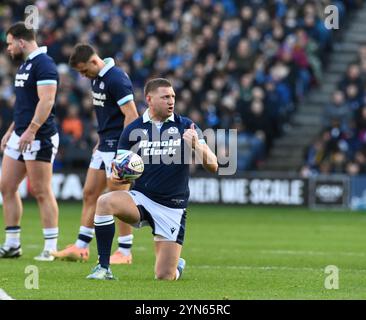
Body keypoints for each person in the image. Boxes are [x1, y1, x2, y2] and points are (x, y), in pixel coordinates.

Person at [86, 78, 218, 280]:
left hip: (172, 207)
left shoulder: (186, 126)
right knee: (104, 202)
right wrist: (119, 175)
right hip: (141, 198)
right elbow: (118, 171)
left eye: (173, 96)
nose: (171, 101)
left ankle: (176, 266)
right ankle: (103, 268)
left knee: (164, 276)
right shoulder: (132, 129)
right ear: (149, 99)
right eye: (165, 97)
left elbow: (214, 166)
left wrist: (197, 146)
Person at [52, 44, 139, 264]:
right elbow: (106, 113)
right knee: (90, 193)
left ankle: (125, 251)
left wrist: (123, 151)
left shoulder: (116, 79)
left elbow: (131, 115)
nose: (82, 75)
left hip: (117, 147)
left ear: (93, 61)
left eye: (83, 70)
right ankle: (81, 247)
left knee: (118, 199)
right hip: (103, 145)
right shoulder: (96, 78)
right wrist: (101, 139)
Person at [0, 22, 59, 261]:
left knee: (41, 191)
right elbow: (26, 104)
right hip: (20, 134)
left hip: (39, 136)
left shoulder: (44, 64)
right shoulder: (26, 64)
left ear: (21, 41)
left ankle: (51, 247)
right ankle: (12, 244)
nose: (8, 48)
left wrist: (32, 130)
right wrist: (12, 130)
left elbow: (47, 101)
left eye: (9, 43)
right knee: (6, 186)